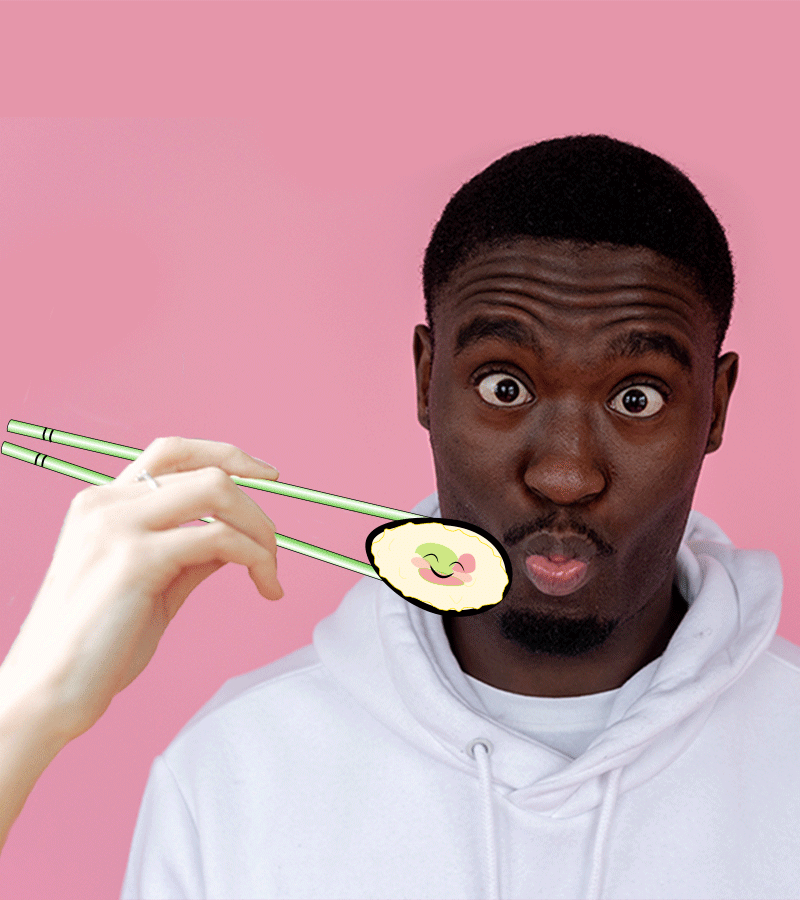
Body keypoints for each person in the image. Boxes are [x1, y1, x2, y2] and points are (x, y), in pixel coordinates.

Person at [1, 135, 797, 899]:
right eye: (503, 387)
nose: (565, 474)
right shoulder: (230, 769)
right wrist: (26, 712)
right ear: (426, 382)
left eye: (637, 398)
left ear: (716, 407)